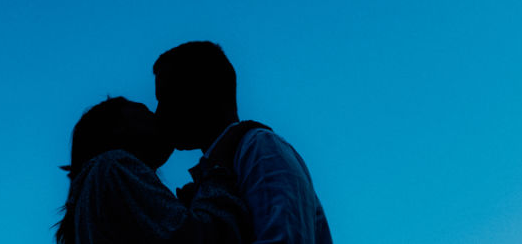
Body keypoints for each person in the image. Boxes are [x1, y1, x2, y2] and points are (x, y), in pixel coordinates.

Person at [153, 42, 332, 244]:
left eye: (167, 97)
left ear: (204, 90)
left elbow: (285, 237)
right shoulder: (224, 167)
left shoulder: (259, 148)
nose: (159, 113)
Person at [58, 96, 251, 244]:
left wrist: (194, 203)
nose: (159, 116)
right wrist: (217, 170)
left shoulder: (94, 190)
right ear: (118, 128)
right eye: (145, 111)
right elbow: (201, 237)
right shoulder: (113, 166)